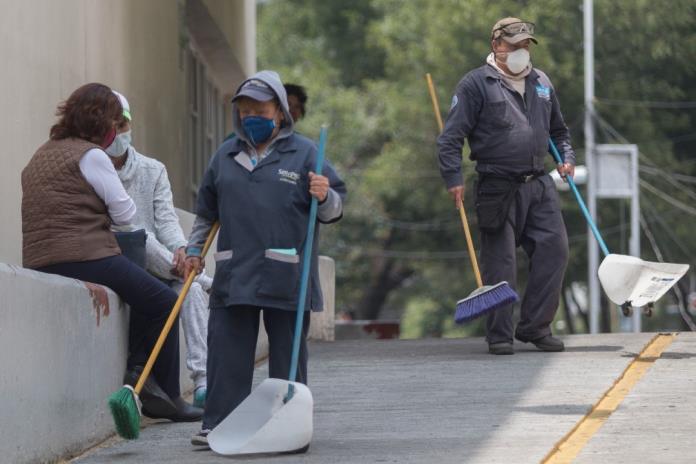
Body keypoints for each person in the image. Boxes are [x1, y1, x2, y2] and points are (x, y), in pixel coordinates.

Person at [184, 70, 346, 446]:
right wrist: (194, 251)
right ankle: (219, 423)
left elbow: (334, 210)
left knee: (289, 353)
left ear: (280, 111)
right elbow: (206, 213)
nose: (251, 114)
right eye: (245, 108)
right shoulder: (225, 155)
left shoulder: (305, 153)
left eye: (260, 107)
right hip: (234, 268)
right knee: (227, 352)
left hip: (288, 270)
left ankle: (289, 423)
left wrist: (324, 195)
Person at [22, 83, 202, 421]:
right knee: (164, 300)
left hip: (40, 258)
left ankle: (140, 375)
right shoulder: (91, 156)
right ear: (100, 122)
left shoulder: (43, 153)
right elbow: (126, 215)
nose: (116, 131)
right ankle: (159, 388)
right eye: (114, 123)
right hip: (85, 255)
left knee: (142, 294)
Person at [437, 18, 576, 355]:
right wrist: (453, 178)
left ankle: (534, 327)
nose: (521, 52)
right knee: (501, 264)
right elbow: (450, 138)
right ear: (496, 45)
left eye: (526, 45)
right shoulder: (475, 84)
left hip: (539, 184)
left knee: (555, 250)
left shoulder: (542, 82)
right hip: (497, 185)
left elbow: (559, 131)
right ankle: (499, 334)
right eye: (514, 45)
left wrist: (566, 157)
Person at [106, 90, 212, 408]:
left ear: (130, 126)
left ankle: (204, 381)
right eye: (112, 128)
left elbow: (166, 222)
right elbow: (123, 231)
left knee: (189, 290)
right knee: (138, 237)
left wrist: (181, 247)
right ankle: (206, 281)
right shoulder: (93, 168)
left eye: (122, 126)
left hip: (162, 265)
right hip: (126, 260)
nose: (119, 134)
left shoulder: (153, 170)